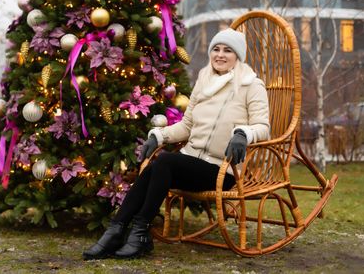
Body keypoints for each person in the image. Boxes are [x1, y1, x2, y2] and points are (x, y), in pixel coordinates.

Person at [83, 28, 270, 260]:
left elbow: (263, 126)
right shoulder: (204, 82)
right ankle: (117, 230)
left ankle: (137, 232)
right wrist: (159, 136)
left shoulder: (251, 85)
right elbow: (186, 126)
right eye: (216, 49)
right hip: (191, 162)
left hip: (222, 169)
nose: (220, 55)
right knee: (155, 166)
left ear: (238, 56)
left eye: (228, 50)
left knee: (165, 161)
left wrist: (243, 134)